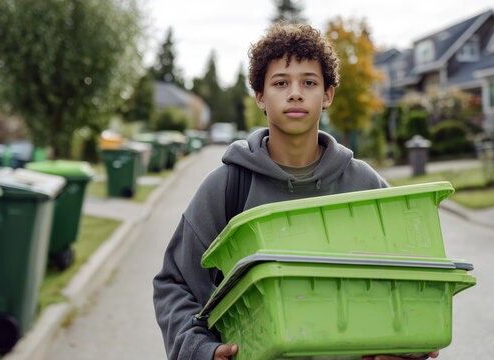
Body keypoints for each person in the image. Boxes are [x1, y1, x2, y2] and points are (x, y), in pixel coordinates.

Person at [153, 23, 439, 360]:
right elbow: (174, 284)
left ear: (328, 95)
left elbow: (413, 279)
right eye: (280, 83)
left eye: (309, 82)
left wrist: (408, 346)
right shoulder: (227, 188)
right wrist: (201, 350)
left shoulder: (365, 185)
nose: (295, 93)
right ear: (260, 96)